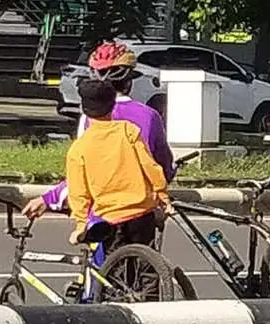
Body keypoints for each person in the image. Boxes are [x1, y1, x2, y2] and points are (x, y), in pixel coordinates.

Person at [23, 41, 173, 229]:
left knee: (100, 251)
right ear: (129, 81)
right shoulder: (150, 116)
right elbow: (162, 164)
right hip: (141, 208)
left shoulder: (89, 119)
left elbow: (81, 173)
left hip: (102, 210)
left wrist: (49, 198)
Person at [63, 79, 171, 300]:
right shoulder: (128, 131)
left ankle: (117, 310)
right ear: (113, 105)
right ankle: (151, 306)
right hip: (142, 212)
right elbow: (150, 166)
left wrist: (81, 224)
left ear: (84, 110)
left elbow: (79, 193)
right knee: (147, 267)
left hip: (110, 218)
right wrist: (162, 196)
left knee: (114, 271)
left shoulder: (79, 149)